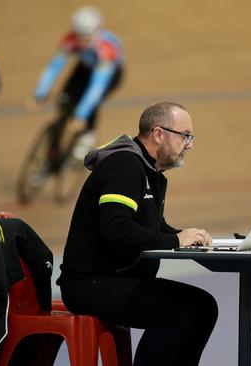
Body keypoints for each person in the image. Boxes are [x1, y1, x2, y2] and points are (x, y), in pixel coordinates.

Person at [57, 102, 218, 365]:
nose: (190, 144)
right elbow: (116, 228)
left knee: (204, 307)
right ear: (159, 134)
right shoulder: (124, 166)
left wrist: (187, 235)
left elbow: (152, 228)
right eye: (185, 135)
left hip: (118, 280)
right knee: (176, 314)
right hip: (90, 283)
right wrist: (175, 241)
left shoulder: (148, 170)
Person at [26, 5, 124, 160]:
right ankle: (52, 155)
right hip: (84, 68)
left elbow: (96, 87)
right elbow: (53, 68)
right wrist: (39, 95)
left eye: (88, 39)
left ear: (97, 33)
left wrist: (81, 115)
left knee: (91, 101)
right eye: (80, 38)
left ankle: (88, 135)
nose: (83, 43)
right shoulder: (70, 40)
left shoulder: (106, 49)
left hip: (109, 74)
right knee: (64, 100)